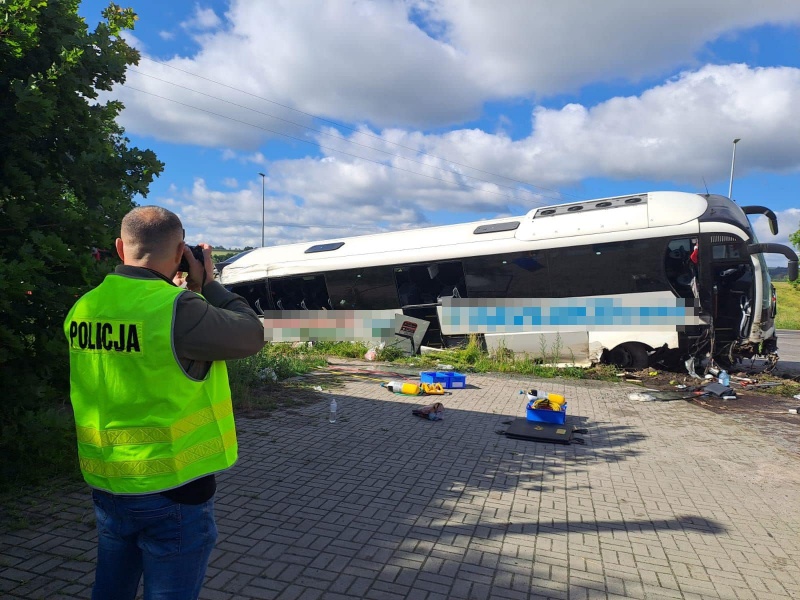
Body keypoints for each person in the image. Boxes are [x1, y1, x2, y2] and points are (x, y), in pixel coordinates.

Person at [64, 206, 265, 600]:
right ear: (179, 253)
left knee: (111, 588)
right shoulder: (177, 308)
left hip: (108, 481)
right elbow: (251, 335)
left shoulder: (84, 306)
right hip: (172, 488)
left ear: (120, 247)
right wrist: (209, 285)